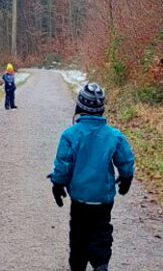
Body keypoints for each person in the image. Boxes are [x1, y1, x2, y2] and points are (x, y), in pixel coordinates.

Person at [46, 82, 135, 271]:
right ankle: (101, 263)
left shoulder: (70, 135)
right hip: (103, 198)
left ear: (79, 107)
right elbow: (126, 160)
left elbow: (62, 164)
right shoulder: (114, 136)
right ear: (102, 108)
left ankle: (78, 265)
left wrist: (57, 183)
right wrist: (127, 177)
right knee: (101, 231)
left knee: (79, 234)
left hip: (80, 198)